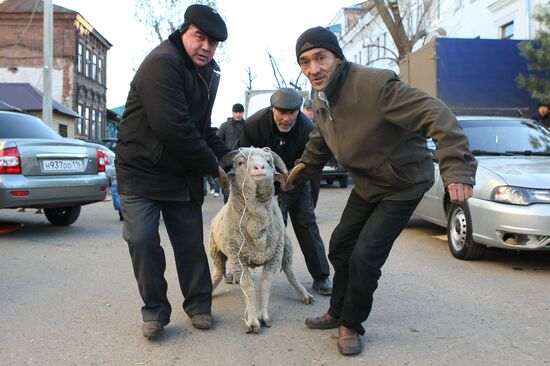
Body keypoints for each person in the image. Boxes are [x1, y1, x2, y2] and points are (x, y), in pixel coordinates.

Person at [288, 26, 477, 356]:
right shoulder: (321, 101)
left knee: (365, 256)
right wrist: (292, 177)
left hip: (402, 183)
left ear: (337, 57)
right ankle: (337, 311)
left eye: (321, 58)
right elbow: (319, 146)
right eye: (305, 62)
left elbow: (436, 113)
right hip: (368, 183)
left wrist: (457, 168)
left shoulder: (374, 85)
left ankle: (351, 324)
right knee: (341, 245)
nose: (313, 69)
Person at [115, 4, 230, 340]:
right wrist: (212, 167)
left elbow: (202, 127)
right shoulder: (162, 63)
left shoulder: (208, 73)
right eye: (199, 38)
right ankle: (154, 311)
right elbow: (175, 128)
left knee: (189, 242)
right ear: (185, 32)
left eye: (213, 42)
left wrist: (229, 160)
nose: (206, 47)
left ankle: (198, 305)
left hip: (180, 174)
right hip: (140, 171)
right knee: (142, 239)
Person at [237, 88, 332, 296]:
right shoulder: (254, 124)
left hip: (295, 180)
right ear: (273, 109)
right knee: (256, 224)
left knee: (306, 222)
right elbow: (241, 156)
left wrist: (300, 187)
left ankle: (321, 276)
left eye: (292, 113)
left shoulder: (307, 129)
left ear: (299, 111)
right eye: (282, 112)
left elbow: (312, 166)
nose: (287, 118)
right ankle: (244, 269)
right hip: (262, 183)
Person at [217, 103, 246, 203]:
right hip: (227, 162)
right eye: (236, 112)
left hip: (243, 163)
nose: (238, 114)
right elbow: (217, 141)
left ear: (243, 112)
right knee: (227, 192)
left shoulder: (247, 125)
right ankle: (228, 211)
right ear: (232, 112)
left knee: (243, 190)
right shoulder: (225, 126)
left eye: (240, 112)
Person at [302, 98, 321, 208]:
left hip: (315, 162)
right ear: (304, 109)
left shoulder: (320, 123)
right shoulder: (299, 123)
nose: (309, 112)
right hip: (302, 161)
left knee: (315, 188)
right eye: (307, 109)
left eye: (311, 110)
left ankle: (312, 208)